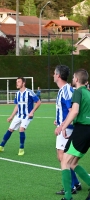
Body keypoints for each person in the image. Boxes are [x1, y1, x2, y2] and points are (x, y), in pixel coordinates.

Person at [55, 69, 90, 200]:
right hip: (87, 131)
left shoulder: (78, 92)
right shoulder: (88, 93)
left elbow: (74, 111)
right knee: (73, 163)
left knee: (64, 161)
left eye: (73, 78)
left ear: (75, 79)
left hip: (82, 129)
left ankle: (68, 197)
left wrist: (62, 126)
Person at [0, 77, 41, 156]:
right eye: (16, 82)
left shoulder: (29, 92)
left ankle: (21, 149)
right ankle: (1, 146)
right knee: (10, 129)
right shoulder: (17, 93)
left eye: (18, 82)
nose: (17, 83)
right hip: (18, 115)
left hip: (27, 116)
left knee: (21, 129)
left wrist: (32, 112)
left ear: (23, 83)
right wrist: (11, 116)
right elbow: (17, 106)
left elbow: (38, 102)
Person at [53, 65, 81, 196]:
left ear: (58, 75)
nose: (53, 75)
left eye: (54, 73)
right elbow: (64, 110)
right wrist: (58, 121)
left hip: (67, 129)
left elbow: (71, 110)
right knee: (63, 158)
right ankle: (76, 183)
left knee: (64, 158)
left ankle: (71, 187)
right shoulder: (63, 90)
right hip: (64, 127)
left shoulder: (66, 90)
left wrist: (63, 126)